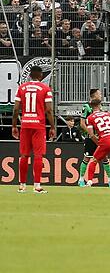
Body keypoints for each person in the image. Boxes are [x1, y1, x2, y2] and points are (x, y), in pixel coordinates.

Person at [12, 65, 55, 193]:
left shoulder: (21, 88)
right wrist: (52, 126)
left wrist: (14, 125)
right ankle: (37, 186)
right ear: (41, 75)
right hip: (39, 125)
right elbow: (48, 110)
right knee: (38, 155)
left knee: (24, 155)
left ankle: (22, 185)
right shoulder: (45, 89)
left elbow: (15, 109)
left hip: (25, 124)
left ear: (30, 75)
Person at [77, 88, 110, 187]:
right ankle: (81, 179)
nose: (101, 95)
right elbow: (82, 123)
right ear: (94, 95)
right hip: (90, 138)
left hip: (101, 137)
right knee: (87, 157)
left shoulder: (100, 107)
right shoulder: (87, 107)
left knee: (105, 158)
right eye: (99, 93)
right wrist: (91, 134)